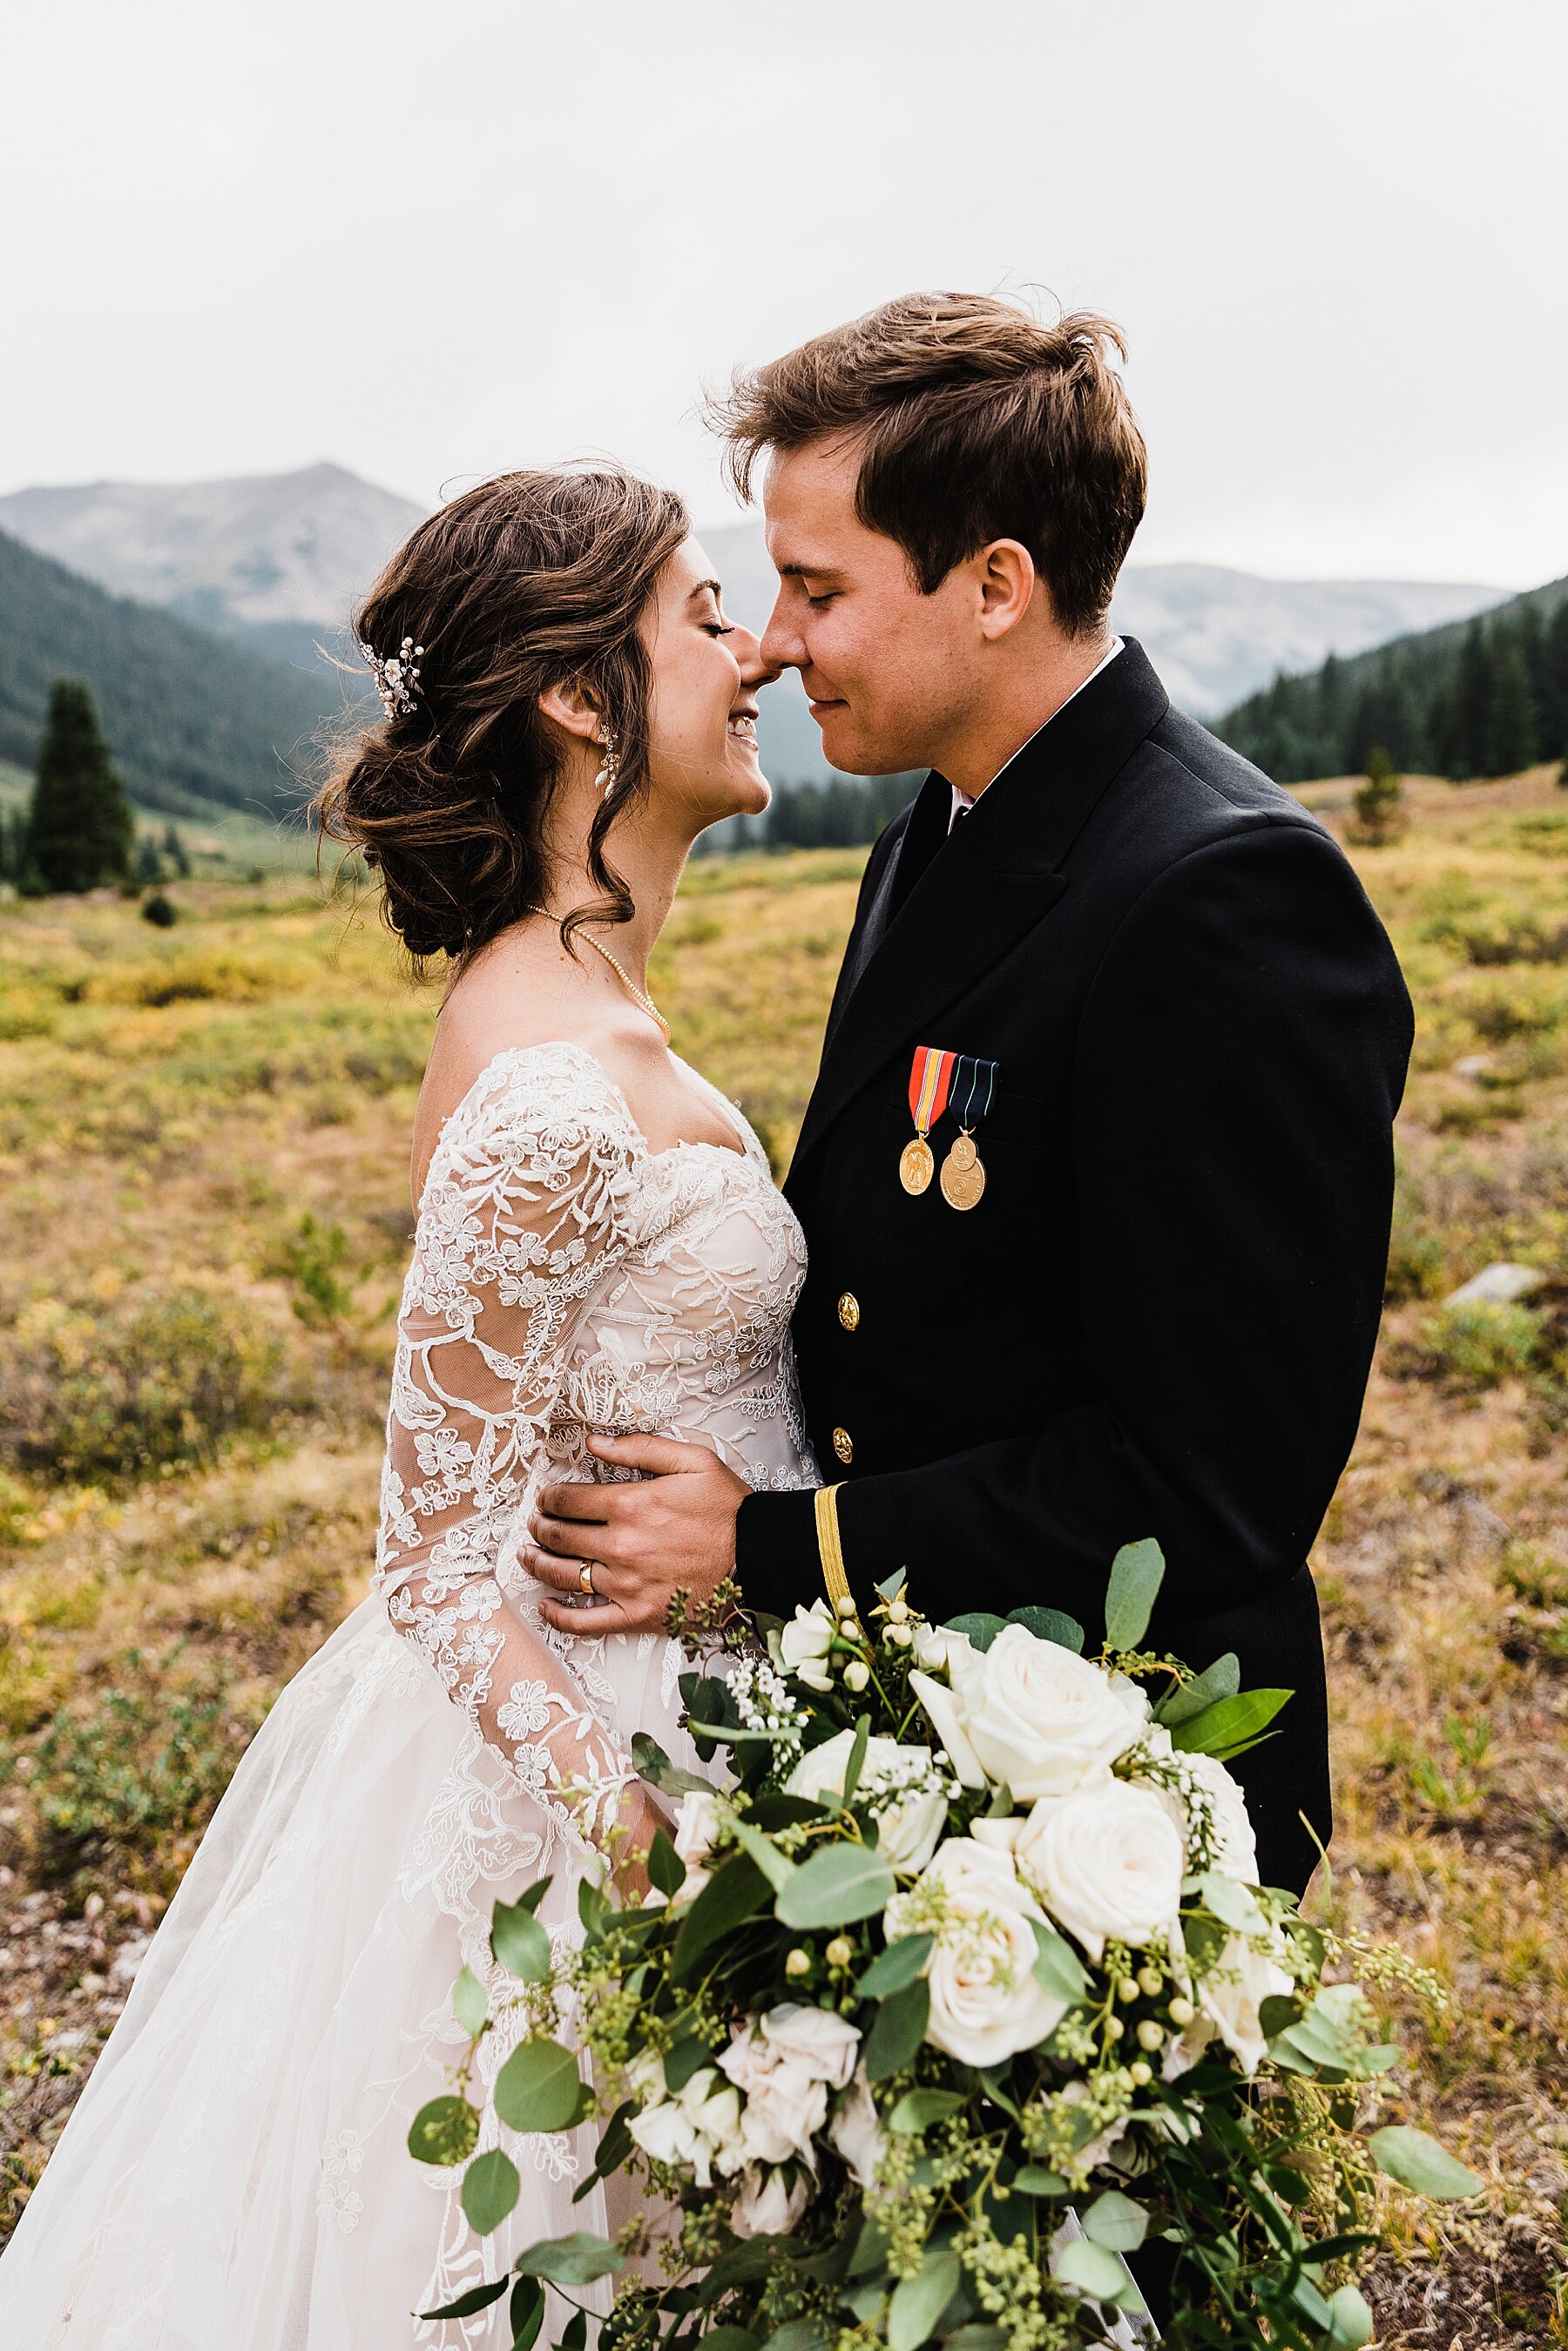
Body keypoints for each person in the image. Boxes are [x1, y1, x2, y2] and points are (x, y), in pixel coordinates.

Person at [0, 468, 817, 2346]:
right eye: (707, 611)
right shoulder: (547, 1081)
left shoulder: (594, 1007)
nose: (757, 642)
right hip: (590, 1772)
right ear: (582, 701)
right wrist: (645, 1844)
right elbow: (436, 1563)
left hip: (692, 1690)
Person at [520, 294, 1415, 1900]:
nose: (776, 642)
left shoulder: (1226, 897)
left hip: (1119, 1812)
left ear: (996, 584)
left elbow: (1212, 1488)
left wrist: (772, 1551)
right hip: (912, 1757)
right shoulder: (928, 840)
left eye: (818, 588)